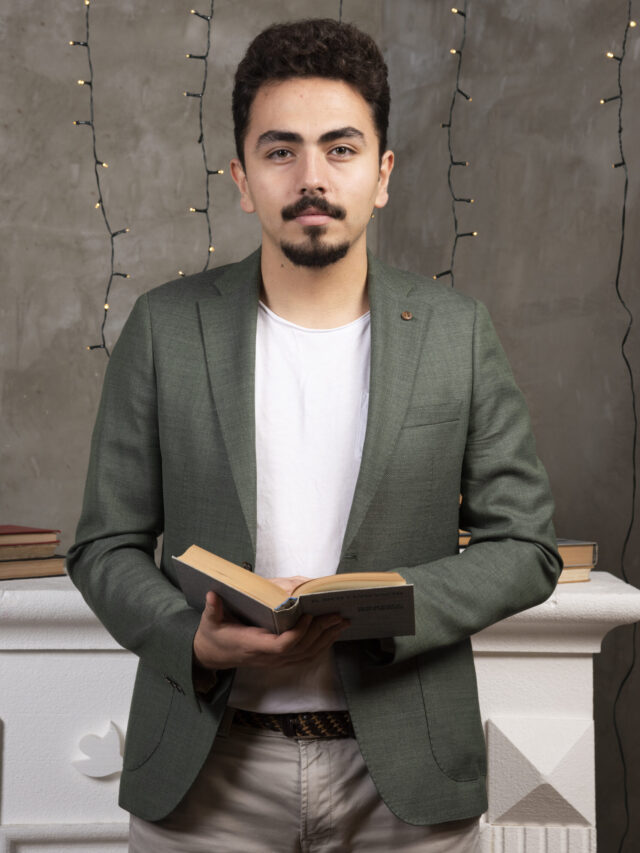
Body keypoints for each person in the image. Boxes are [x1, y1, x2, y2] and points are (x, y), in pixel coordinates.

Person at [67, 18, 561, 853]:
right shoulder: (163, 328)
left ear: (382, 174)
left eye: (340, 149)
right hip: (206, 777)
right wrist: (193, 637)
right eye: (280, 151)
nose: (311, 178)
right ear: (241, 177)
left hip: (406, 780)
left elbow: (527, 545)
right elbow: (104, 545)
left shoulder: (457, 332)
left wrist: (385, 606)